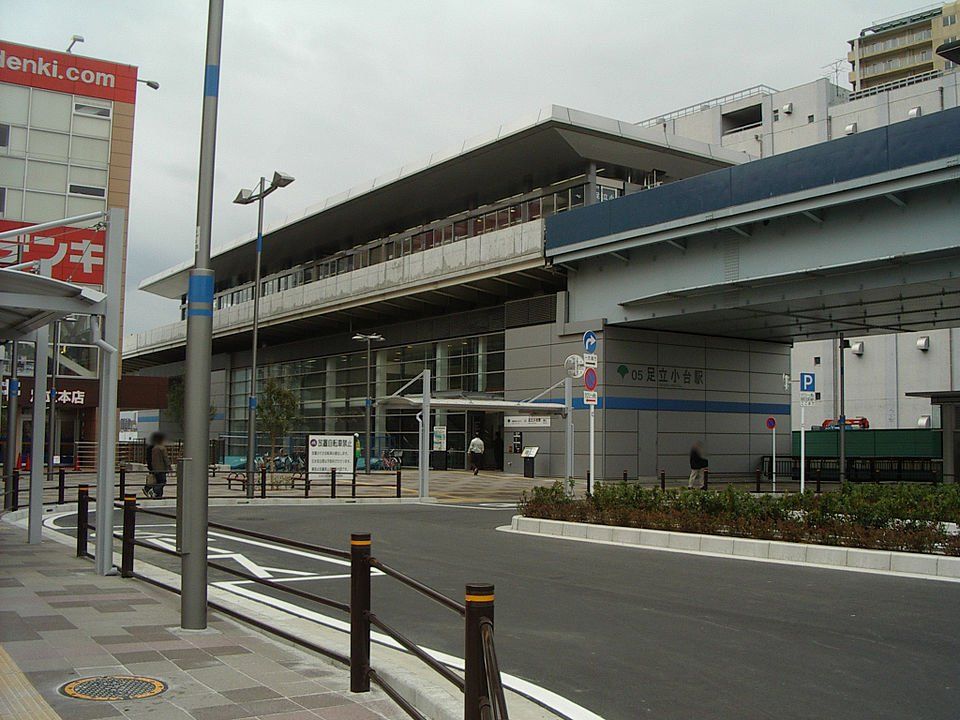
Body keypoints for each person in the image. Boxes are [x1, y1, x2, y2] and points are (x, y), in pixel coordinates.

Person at [145, 432, 172, 498]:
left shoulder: (154, 448)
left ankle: (158, 496)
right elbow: (165, 458)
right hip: (161, 468)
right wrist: (169, 466)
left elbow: (151, 459)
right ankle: (153, 490)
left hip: (155, 468)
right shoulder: (162, 448)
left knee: (158, 481)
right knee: (162, 482)